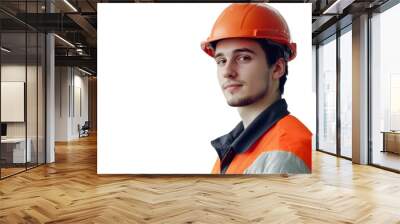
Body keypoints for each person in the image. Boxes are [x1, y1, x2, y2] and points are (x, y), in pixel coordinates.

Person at [201, 3, 312, 174]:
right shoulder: (235, 145)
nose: (228, 72)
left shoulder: (285, 150)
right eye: (221, 61)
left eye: (243, 58)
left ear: (277, 68)